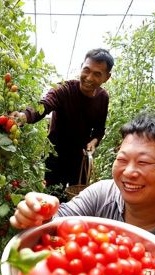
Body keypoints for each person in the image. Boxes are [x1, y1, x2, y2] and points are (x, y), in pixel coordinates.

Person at [10, 113, 155, 275]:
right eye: (122, 160)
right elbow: (57, 225)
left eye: (144, 162)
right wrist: (38, 214)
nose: (128, 172)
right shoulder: (102, 194)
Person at [13, 48, 114, 188]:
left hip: (80, 159)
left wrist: (94, 141)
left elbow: (99, 129)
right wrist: (25, 115)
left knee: (77, 202)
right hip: (55, 156)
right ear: (81, 67)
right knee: (51, 197)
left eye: (97, 74)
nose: (89, 77)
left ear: (106, 77)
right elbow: (45, 105)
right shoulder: (64, 89)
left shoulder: (102, 98)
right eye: (86, 70)